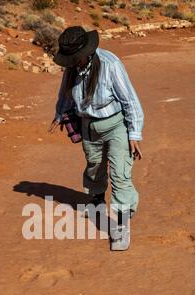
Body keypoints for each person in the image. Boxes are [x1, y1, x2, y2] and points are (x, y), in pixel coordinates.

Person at [49, 26, 144, 251]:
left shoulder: (110, 65)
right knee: (94, 166)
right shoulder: (72, 69)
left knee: (120, 174)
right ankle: (97, 199)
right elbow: (65, 93)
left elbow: (130, 100)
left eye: (74, 58)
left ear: (86, 52)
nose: (71, 62)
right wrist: (59, 113)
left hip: (115, 125)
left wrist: (134, 133)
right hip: (88, 125)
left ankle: (121, 225)